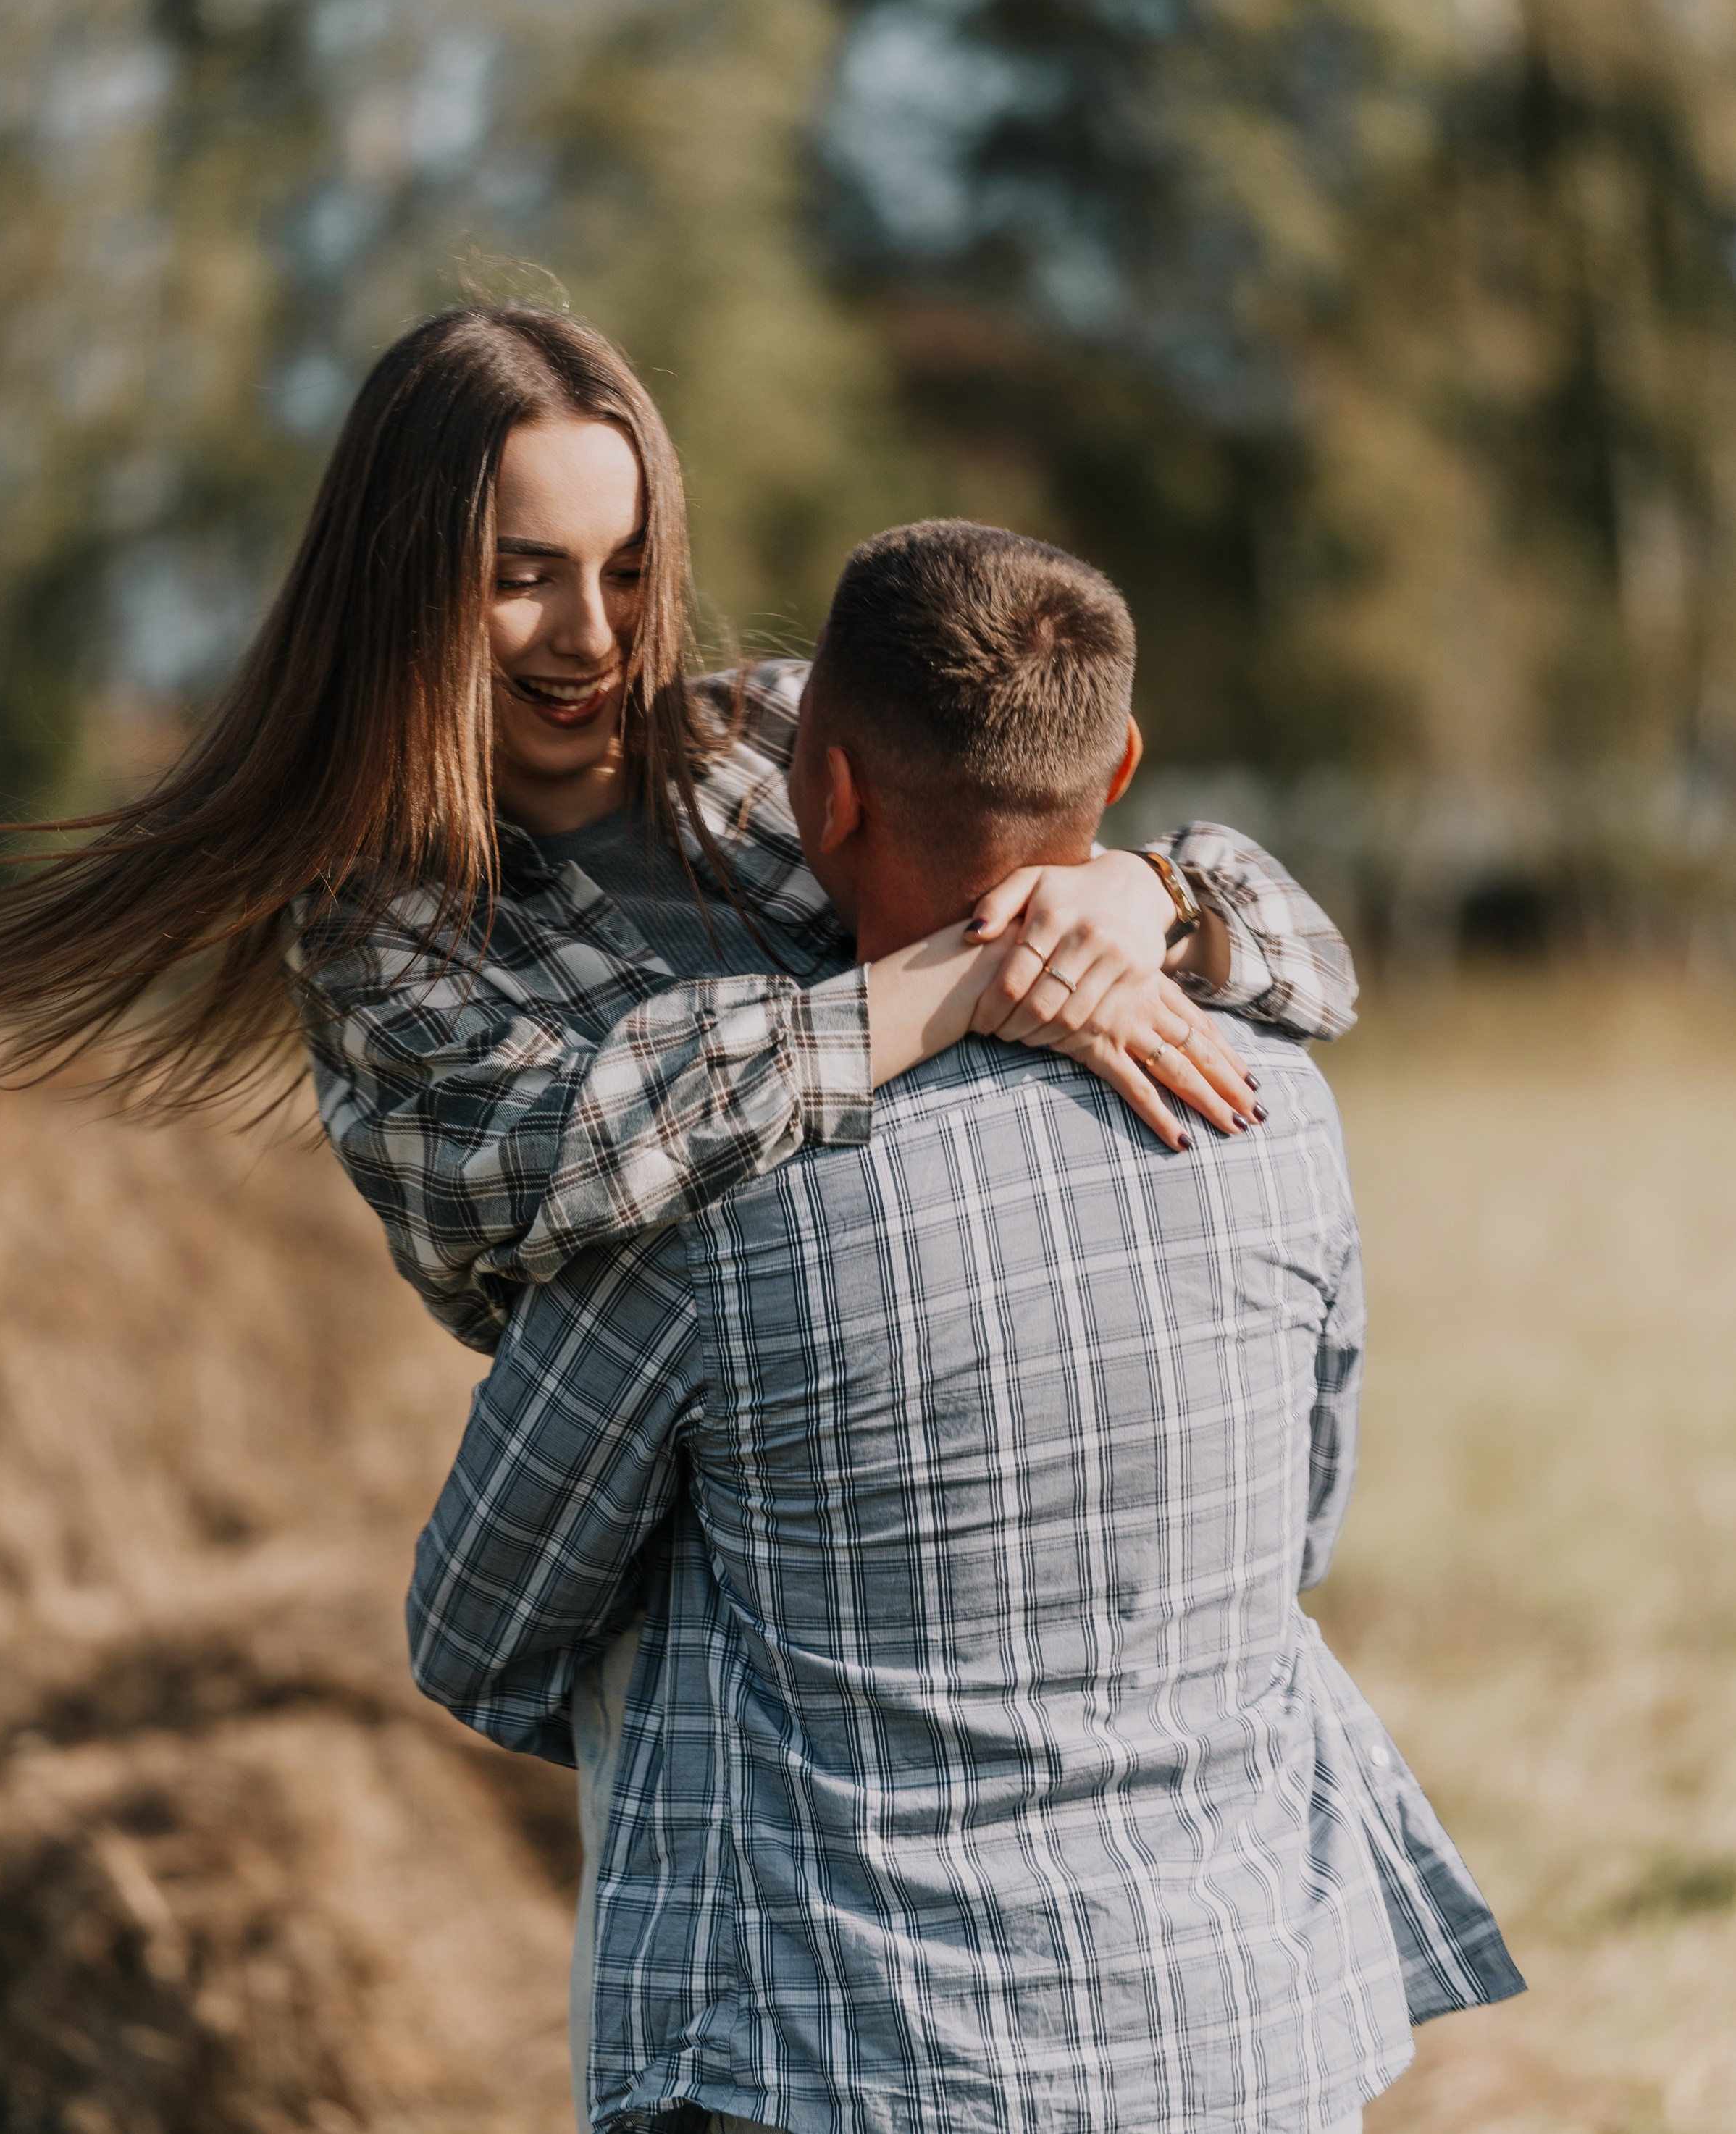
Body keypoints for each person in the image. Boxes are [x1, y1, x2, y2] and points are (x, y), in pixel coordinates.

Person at [408, 521, 1523, 2134]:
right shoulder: (1281, 1112)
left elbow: (472, 1623)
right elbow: (1297, 1524)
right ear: (1122, 762)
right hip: (1252, 2047)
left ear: (827, 792)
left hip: (841, 2065)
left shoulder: (721, 1198)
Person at [0, 307, 1354, 1344]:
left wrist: (1142, 895)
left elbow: (1311, 967)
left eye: (625, 567)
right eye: (522, 574)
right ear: (401, 581)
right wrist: (951, 983)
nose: (590, 632)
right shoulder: (377, 935)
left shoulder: (786, 732)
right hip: (715, 1597)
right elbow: (556, 1156)